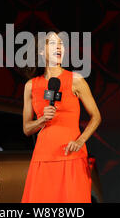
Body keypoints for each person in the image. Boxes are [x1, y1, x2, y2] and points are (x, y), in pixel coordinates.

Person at [21, 31, 101, 203]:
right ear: (41, 51)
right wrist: (42, 119)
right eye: (52, 44)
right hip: (44, 156)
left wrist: (80, 141)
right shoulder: (31, 86)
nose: (59, 47)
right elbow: (27, 129)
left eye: (61, 44)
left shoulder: (76, 80)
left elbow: (96, 117)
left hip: (71, 154)